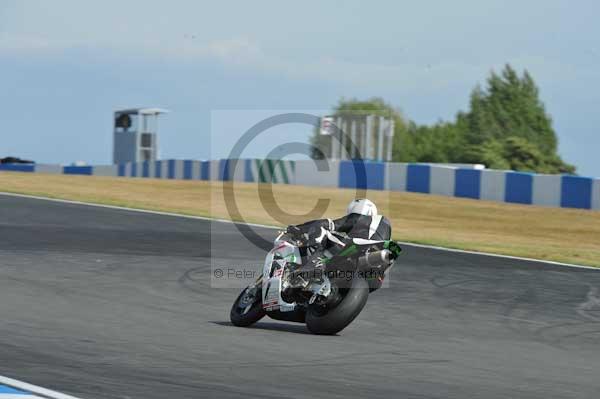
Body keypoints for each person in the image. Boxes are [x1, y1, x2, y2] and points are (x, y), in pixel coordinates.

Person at [285, 199, 392, 291]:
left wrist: (299, 228)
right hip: (375, 279)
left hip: (360, 248)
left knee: (322, 230)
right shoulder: (385, 229)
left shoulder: (359, 218)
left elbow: (328, 224)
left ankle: (313, 264)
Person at [286, 199, 391, 241]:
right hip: (377, 273)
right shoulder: (385, 223)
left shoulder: (356, 219)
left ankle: (311, 265)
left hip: (359, 252)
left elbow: (326, 223)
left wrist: (299, 228)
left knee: (322, 231)